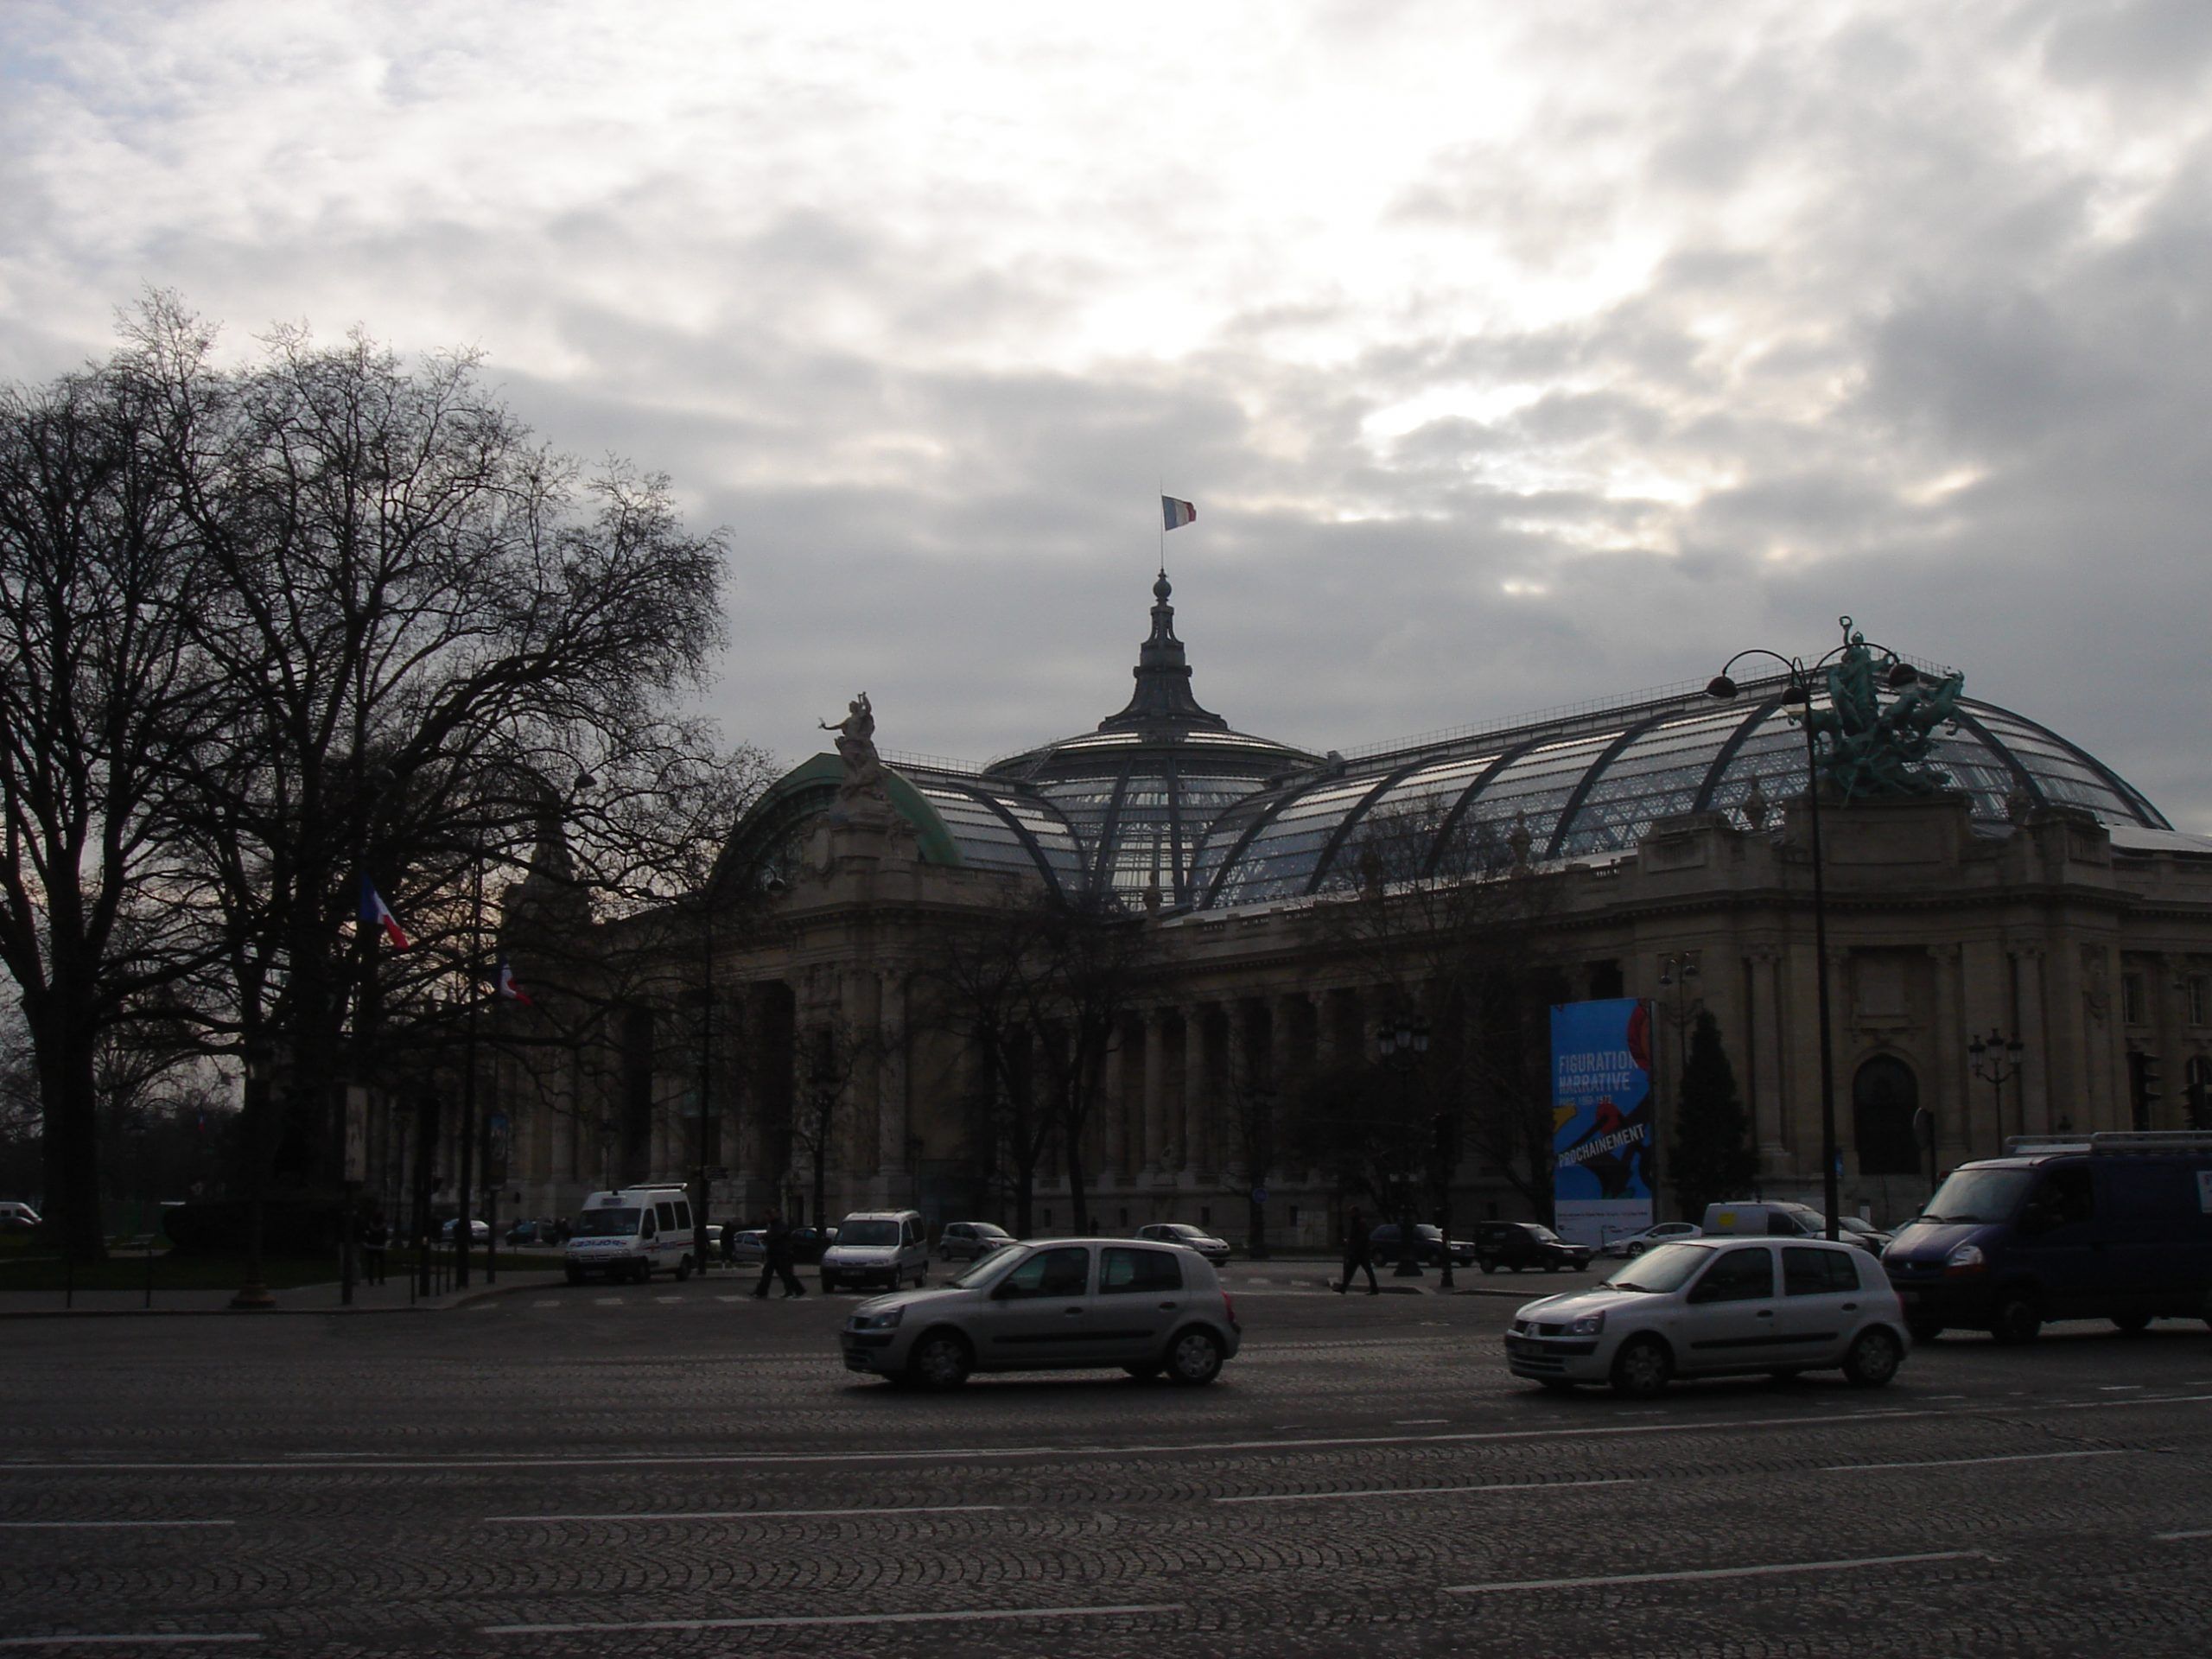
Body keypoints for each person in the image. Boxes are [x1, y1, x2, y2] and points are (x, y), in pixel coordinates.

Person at [753, 1207, 805, 1299]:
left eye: (767, 1216)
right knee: (772, 1273)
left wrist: (764, 1236)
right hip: (776, 1253)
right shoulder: (774, 1225)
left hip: (781, 1253)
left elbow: (776, 1236)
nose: (766, 1218)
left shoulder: (779, 1225)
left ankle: (795, 1290)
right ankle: (761, 1292)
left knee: (782, 1273)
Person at [1337, 1205, 1378, 1294]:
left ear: (1356, 1212)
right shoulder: (1358, 1222)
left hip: (1360, 1252)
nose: (1350, 1215)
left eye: (1351, 1212)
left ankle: (1374, 1288)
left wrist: (1353, 1247)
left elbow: (1361, 1238)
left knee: (1353, 1270)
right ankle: (1344, 1287)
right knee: (1352, 1270)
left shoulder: (1360, 1223)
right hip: (1360, 1252)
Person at [359, 1211, 389, 1286]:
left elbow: (366, 1235)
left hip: (371, 1246)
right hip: (380, 1247)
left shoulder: (370, 1225)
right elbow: (386, 1236)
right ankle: (381, 1279)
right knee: (381, 1264)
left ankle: (371, 1280)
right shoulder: (383, 1226)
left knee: (371, 1264)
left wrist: (366, 1242)